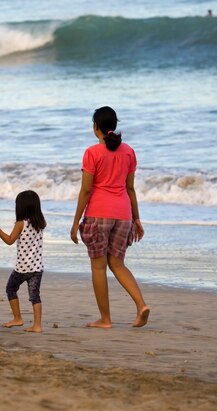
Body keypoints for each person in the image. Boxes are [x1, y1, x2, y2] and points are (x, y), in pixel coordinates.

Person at [70, 106, 150, 329]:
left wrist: (76, 221)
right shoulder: (129, 152)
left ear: (95, 127)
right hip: (123, 215)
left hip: (98, 215)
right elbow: (130, 188)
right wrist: (136, 219)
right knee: (118, 264)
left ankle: (105, 319)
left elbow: (86, 190)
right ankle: (141, 305)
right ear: (114, 126)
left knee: (98, 267)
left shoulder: (92, 153)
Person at [0, 190, 46, 333]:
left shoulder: (21, 224)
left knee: (11, 289)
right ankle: (37, 325)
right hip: (37, 268)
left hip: (22, 268)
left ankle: (17, 318)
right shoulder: (41, 222)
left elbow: (9, 240)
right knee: (35, 296)